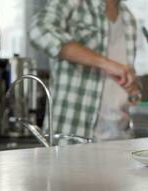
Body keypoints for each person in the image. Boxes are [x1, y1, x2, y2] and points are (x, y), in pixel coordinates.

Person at [29, 0, 139, 141]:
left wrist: (133, 87)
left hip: (120, 138)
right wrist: (105, 63)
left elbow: (125, 78)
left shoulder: (129, 19)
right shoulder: (73, 3)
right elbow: (38, 30)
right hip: (72, 138)